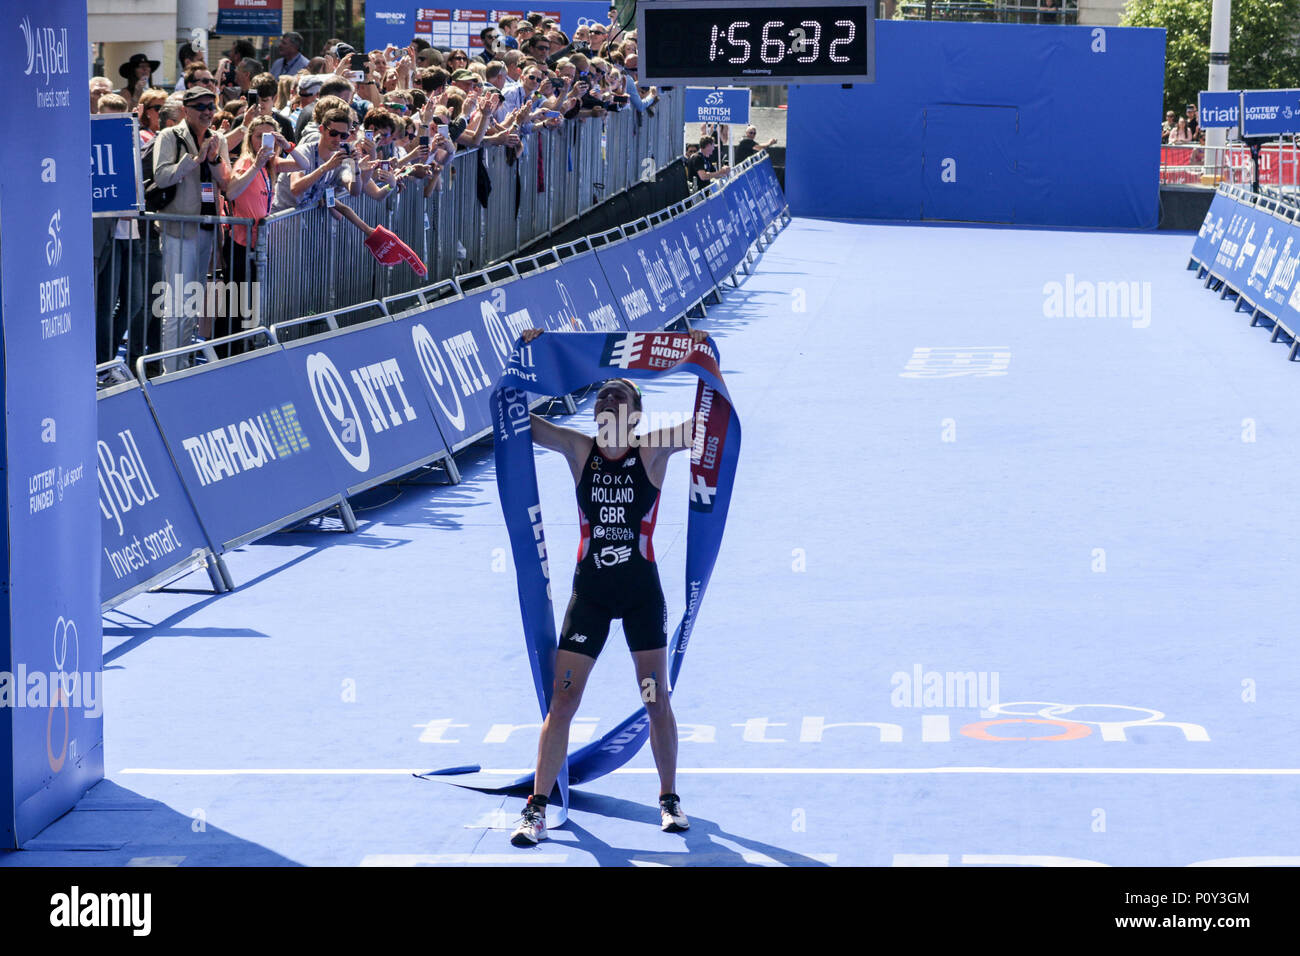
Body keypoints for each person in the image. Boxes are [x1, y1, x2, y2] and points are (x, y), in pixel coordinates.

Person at [509, 328, 712, 847]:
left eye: (617, 395)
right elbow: (522, 425)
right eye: (600, 395)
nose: (605, 398)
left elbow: (707, 426)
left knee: (654, 699)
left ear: (635, 414)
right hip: (592, 597)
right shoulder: (579, 448)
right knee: (564, 702)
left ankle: (668, 799)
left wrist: (703, 359)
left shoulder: (652, 450)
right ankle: (536, 807)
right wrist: (524, 360)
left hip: (641, 596)